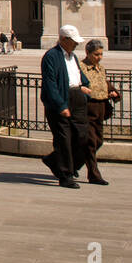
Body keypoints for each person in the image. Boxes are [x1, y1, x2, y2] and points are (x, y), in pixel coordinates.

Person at [40, 25, 90, 189]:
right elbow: (50, 84)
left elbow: (78, 75)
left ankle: (55, 161)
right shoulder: (51, 56)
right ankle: (65, 175)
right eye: (73, 41)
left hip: (77, 98)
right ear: (63, 39)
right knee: (64, 140)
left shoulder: (73, 56)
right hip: (60, 100)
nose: (76, 44)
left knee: (83, 137)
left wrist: (84, 86)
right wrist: (61, 105)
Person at [80, 38, 118, 186]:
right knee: (91, 142)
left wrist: (113, 92)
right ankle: (94, 174)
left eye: (101, 54)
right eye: (96, 54)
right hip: (88, 107)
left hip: (100, 108)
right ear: (88, 53)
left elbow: (104, 83)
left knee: (99, 140)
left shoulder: (100, 68)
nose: (99, 57)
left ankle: (64, 163)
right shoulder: (81, 67)